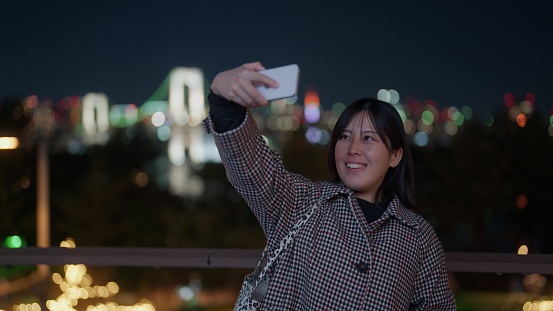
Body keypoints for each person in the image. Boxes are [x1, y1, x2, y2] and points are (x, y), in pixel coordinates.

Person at [204, 62, 456, 310]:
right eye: (344, 137)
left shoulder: (418, 237)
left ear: (395, 156)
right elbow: (251, 168)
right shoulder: (301, 202)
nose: (353, 149)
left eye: (368, 138)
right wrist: (224, 103)